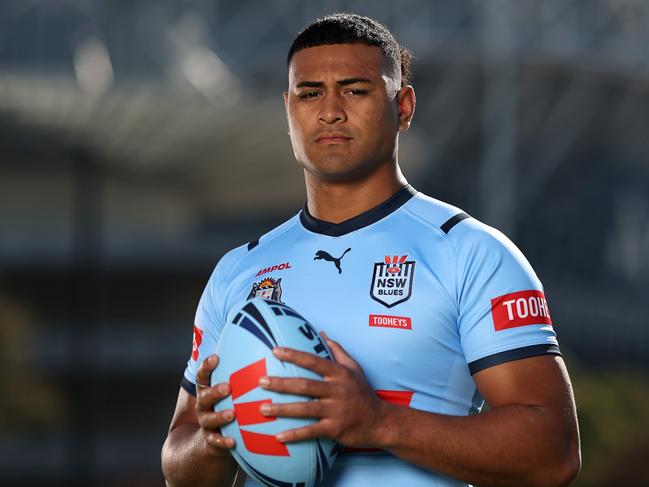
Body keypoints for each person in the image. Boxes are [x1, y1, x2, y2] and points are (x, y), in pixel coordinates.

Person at [161, 13, 581, 487]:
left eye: (355, 90)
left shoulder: (471, 253)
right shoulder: (240, 269)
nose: (330, 111)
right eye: (310, 92)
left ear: (403, 107)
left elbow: (555, 453)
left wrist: (379, 421)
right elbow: (179, 463)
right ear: (289, 108)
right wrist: (215, 439)